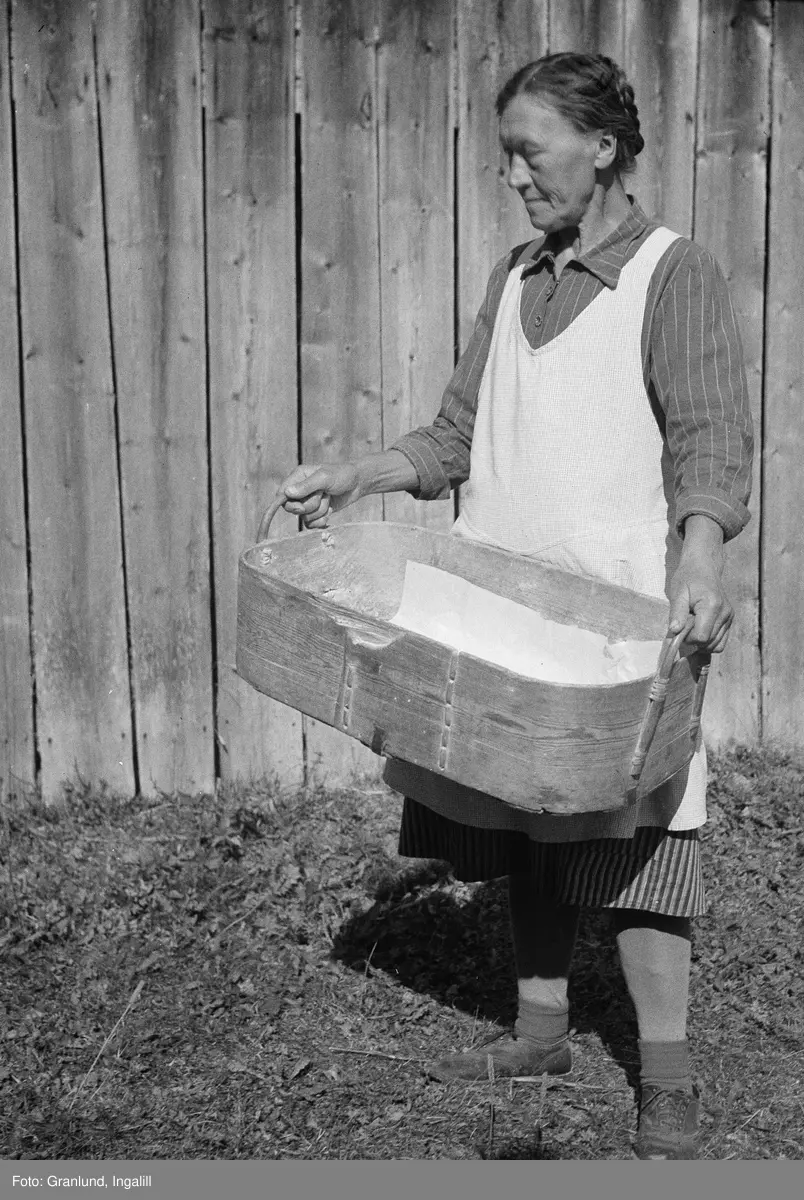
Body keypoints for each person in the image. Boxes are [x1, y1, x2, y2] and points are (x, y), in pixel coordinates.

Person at [278, 52, 753, 1160]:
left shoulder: (672, 272)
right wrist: (356, 474)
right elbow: (456, 436)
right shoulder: (517, 276)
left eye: (529, 153)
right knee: (529, 819)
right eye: (505, 157)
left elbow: (710, 437)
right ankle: (541, 1031)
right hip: (503, 606)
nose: (513, 177)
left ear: (603, 146)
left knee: (642, 845)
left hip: (620, 621)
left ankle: (668, 1081)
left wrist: (700, 558)